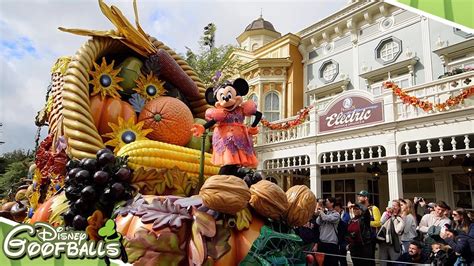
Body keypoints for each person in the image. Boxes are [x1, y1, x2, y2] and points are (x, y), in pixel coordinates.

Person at [356, 190, 380, 266]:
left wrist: (366, 222)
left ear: (366, 198)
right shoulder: (359, 209)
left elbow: (379, 222)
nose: (358, 197)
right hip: (360, 238)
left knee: (370, 259)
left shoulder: (373, 208)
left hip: (370, 237)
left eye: (360, 196)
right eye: (358, 196)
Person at [378, 200, 405, 266]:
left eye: (395, 206)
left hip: (394, 242)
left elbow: (398, 230)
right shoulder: (386, 213)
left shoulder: (400, 217)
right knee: (383, 261)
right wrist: (388, 214)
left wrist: (396, 218)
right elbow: (381, 222)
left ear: (399, 207)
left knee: (395, 261)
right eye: (392, 205)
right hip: (383, 241)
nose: (393, 207)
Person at [316, 197, 340, 266]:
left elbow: (326, 218)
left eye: (327, 201)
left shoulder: (336, 214)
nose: (325, 202)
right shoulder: (324, 213)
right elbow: (318, 222)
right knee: (321, 263)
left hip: (331, 244)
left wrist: (321, 212)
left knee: (331, 263)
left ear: (332, 203)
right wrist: (322, 211)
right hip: (322, 243)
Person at [334, 199, 348, 266]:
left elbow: (345, 226)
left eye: (335, 206)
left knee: (342, 259)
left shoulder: (345, 215)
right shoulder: (333, 214)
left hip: (342, 241)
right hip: (335, 240)